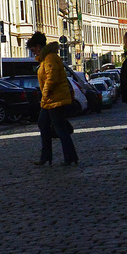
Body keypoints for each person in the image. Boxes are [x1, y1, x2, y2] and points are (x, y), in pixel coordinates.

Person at [28, 31, 78, 167]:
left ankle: (69, 157)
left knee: (60, 128)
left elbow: (52, 78)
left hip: (54, 99)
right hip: (50, 100)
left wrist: (45, 93)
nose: (34, 53)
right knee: (43, 124)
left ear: (38, 47)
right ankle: (47, 156)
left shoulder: (49, 58)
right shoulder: (46, 59)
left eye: (33, 50)